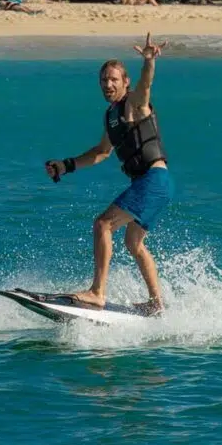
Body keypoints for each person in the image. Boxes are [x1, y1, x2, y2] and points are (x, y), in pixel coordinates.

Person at [45, 32, 174, 315]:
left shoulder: (134, 104)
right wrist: (66, 165)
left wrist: (149, 61)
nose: (108, 84)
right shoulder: (111, 116)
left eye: (114, 79)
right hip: (156, 184)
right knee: (133, 242)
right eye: (104, 79)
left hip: (153, 180)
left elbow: (146, 85)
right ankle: (156, 303)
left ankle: (97, 293)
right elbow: (101, 152)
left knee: (103, 224)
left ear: (125, 82)